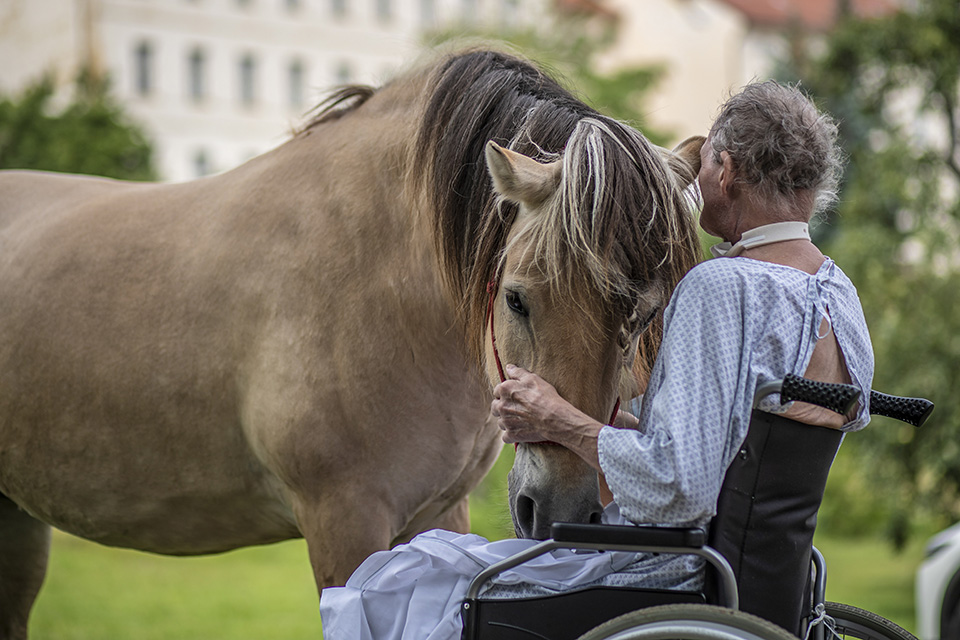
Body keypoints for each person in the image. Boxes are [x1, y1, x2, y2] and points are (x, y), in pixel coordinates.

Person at [319, 80, 874, 640]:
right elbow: (740, 451)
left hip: (671, 577)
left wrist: (558, 420)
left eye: (704, 163)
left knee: (394, 586)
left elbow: (676, 491)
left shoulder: (723, 288)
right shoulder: (836, 295)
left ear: (726, 171)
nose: (698, 181)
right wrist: (626, 428)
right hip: (773, 586)